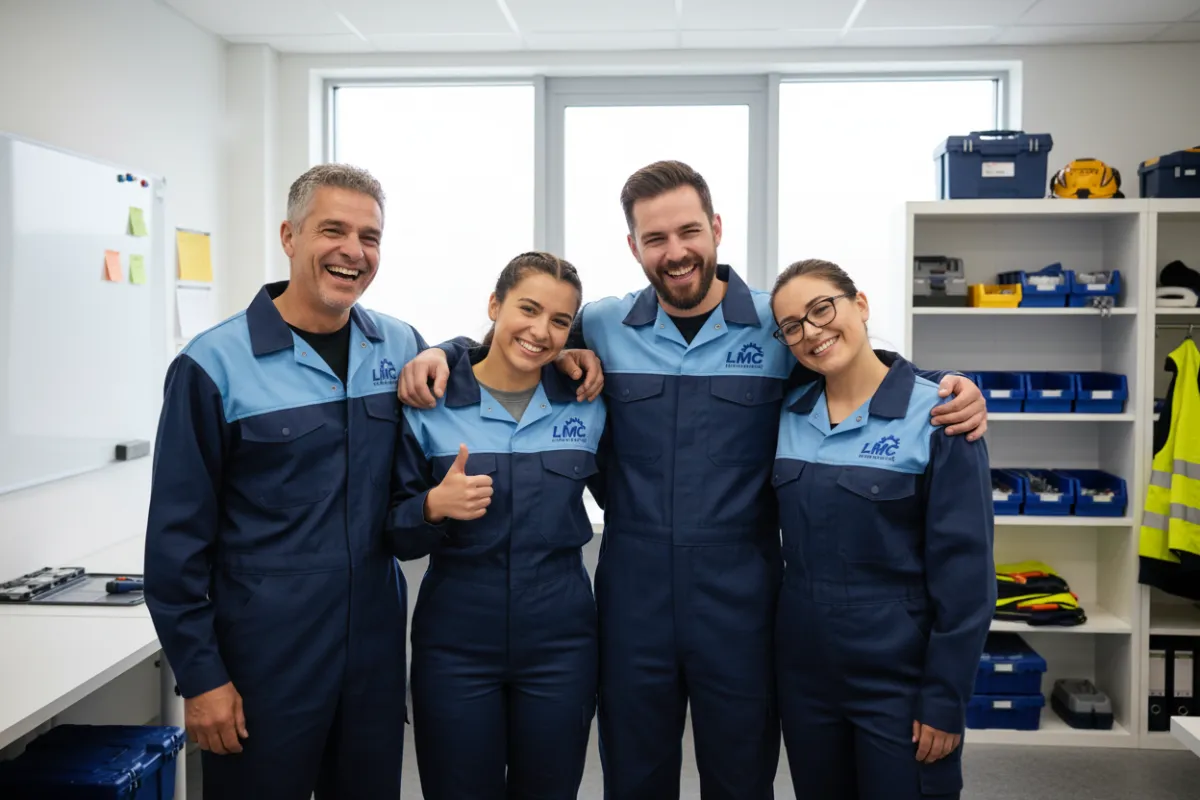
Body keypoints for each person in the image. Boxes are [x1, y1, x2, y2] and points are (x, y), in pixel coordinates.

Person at [398, 160, 988, 799]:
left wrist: (946, 386)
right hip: (633, 599)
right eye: (655, 239)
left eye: (688, 232)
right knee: (634, 777)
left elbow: (849, 361)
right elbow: (516, 345)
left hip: (742, 601)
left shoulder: (775, 323)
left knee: (739, 780)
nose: (675, 252)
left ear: (715, 228)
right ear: (634, 247)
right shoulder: (600, 325)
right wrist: (445, 351)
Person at [143, 164, 423, 800]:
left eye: (370, 237)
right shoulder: (212, 365)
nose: (354, 251)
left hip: (372, 662)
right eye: (334, 230)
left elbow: (482, 372)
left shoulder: (402, 345)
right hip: (263, 664)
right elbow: (175, 544)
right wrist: (202, 675)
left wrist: (569, 352)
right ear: (289, 237)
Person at [769, 258, 995, 800]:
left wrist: (945, 699)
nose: (812, 331)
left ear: (861, 305)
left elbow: (966, 578)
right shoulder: (786, 416)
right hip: (805, 679)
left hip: (900, 680)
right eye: (792, 326)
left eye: (822, 308)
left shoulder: (939, 414)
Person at [386, 252, 605, 799]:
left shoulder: (588, 403)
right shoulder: (428, 402)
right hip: (455, 643)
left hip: (562, 642)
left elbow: (633, 496)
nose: (540, 331)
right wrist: (432, 506)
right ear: (494, 305)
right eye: (528, 309)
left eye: (559, 321)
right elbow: (394, 535)